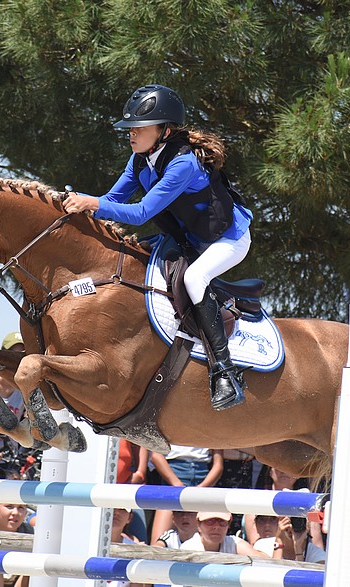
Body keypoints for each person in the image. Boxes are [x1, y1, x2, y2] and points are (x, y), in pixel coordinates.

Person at [63, 84, 253, 411]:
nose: (131, 136)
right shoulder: (140, 160)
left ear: (164, 130)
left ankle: (225, 371)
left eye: (138, 129)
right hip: (188, 239)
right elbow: (112, 200)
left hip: (228, 239)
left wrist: (91, 203)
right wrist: (77, 201)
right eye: (129, 130)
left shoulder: (184, 164)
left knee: (194, 280)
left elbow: (141, 213)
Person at [147, 445, 222, 544]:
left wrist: (202, 487)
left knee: (207, 541)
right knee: (158, 542)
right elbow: (155, 456)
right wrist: (177, 484)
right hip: (172, 475)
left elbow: (218, 465)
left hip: (203, 476)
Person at [180, 512, 267, 556]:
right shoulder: (188, 548)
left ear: (228, 525)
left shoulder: (234, 543)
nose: (216, 527)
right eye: (210, 521)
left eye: (222, 521)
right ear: (198, 525)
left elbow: (266, 563)